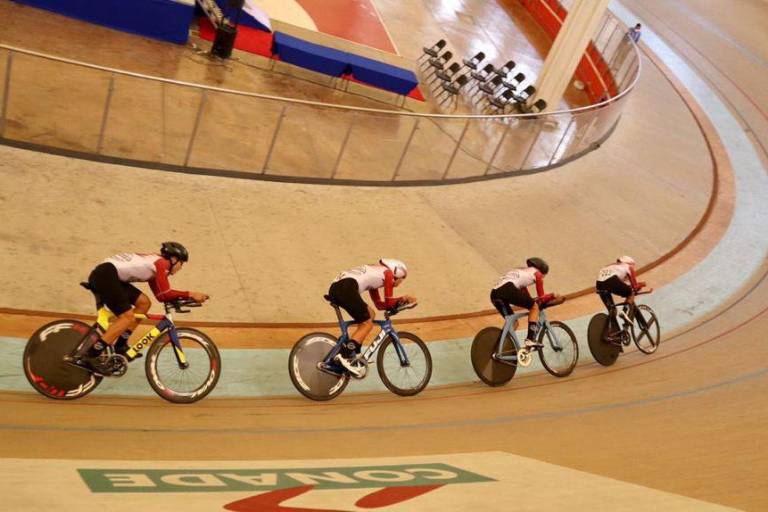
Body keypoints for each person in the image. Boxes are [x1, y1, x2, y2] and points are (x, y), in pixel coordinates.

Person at [83, 242, 209, 371]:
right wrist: (190, 294)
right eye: (181, 263)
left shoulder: (156, 264)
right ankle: (91, 354)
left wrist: (180, 297)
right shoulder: (161, 264)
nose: (181, 267)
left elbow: (160, 295)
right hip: (106, 274)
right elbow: (165, 294)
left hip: (110, 274)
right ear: (173, 259)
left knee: (144, 303)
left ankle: (120, 346)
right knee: (127, 317)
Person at [328, 258, 416, 376]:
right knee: (367, 324)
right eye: (402, 279)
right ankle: (344, 354)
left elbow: (380, 305)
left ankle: (356, 355)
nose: (400, 283)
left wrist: (397, 304)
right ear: (397, 273)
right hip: (346, 287)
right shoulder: (388, 273)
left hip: (338, 287)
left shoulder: (376, 273)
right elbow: (389, 302)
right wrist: (404, 299)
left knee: (370, 314)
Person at [490, 257, 558, 348]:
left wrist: (532, 303)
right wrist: (552, 296)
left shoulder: (522, 272)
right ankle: (530, 339)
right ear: (541, 270)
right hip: (508, 289)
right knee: (534, 307)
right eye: (544, 275)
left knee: (513, 323)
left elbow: (526, 298)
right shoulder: (537, 274)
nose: (543, 277)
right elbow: (542, 298)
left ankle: (498, 347)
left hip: (494, 293)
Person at [595, 255, 646, 336]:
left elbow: (618, 283)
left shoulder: (611, 266)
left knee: (612, 311)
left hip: (599, 285)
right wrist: (642, 284)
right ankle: (624, 312)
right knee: (631, 292)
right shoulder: (628, 267)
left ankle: (610, 334)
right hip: (611, 282)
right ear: (630, 263)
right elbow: (634, 287)